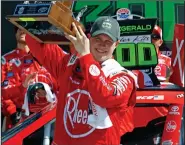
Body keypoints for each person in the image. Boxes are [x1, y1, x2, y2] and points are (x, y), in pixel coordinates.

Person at [25, 16, 137, 145]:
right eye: (97, 39)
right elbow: (34, 42)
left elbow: (104, 96)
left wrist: (86, 56)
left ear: (116, 44)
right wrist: (46, 19)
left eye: (108, 41)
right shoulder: (69, 64)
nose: (102, 45)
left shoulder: (124, 77)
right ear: (88, 38)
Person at [1, 27, 58, 130]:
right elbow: (2, 94)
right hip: (16, 121)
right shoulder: (5, 60)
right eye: (19, 29)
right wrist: (13, 113)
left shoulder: (45, 57)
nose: (22, 31)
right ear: (15, 34)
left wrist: (47, 93)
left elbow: (59, 86)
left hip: (47, 119)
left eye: (25, 29)